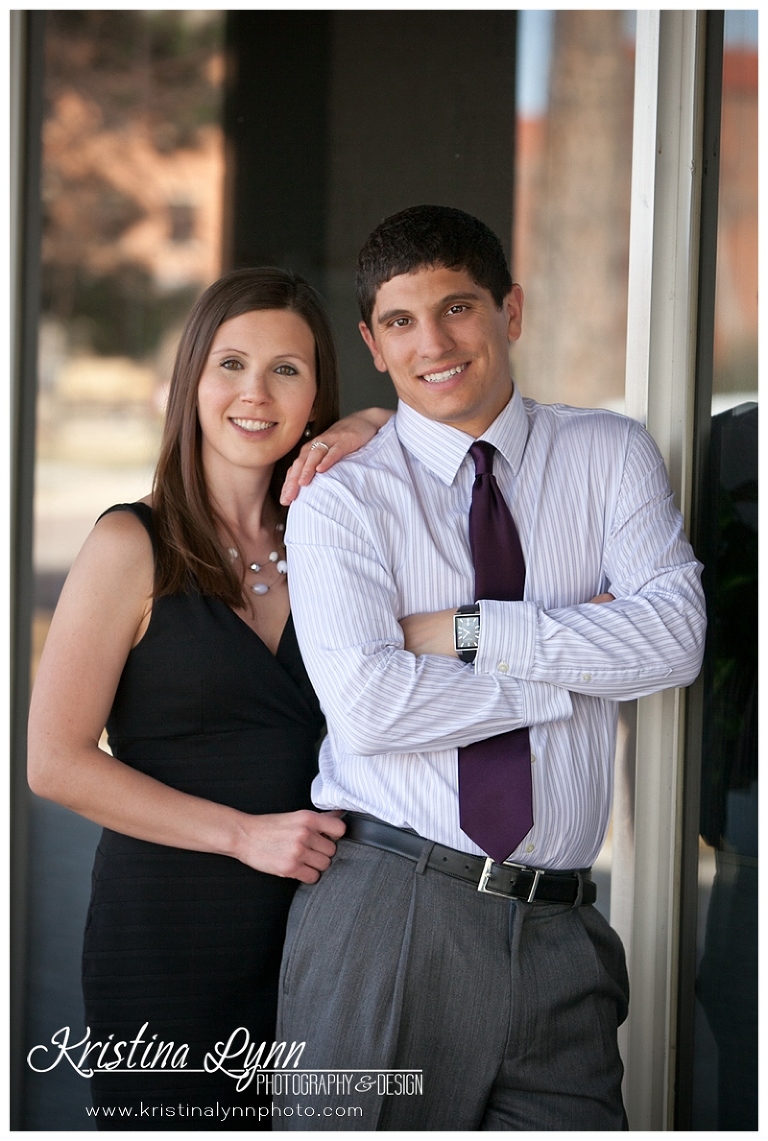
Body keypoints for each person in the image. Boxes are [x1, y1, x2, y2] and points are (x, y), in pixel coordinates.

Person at [274, 205, 707, 1131]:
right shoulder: (341, 499)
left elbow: (673, 640)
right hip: (391, 914)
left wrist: (468, 630)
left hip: (562, 931)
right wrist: (573, 667)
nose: (434, 341)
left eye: (459, 307)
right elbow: (371, 709)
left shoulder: (609, 454)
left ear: (510, 311)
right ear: (374, 345)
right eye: (400, 321)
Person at [26, 266, 392, 1131]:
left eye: (287, 370)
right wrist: (244, 835)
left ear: (318, 398)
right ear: (192, 379)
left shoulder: (336, 544)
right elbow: (54, 762)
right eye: (230, 364)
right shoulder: (131, 544)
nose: (254, 394)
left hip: (323, 931)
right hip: (170, 939)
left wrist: (374, 423)